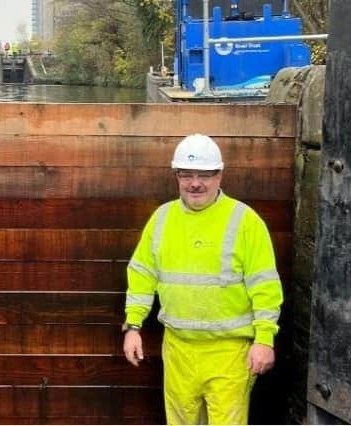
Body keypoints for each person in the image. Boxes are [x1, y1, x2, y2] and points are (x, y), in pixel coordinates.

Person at [123, 134, 283, 425]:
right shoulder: (162, 219)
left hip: (230, 353)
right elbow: (142, 275)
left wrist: (264, 339)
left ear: (219, 175)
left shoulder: (245, 221)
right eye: (186, 174)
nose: (195, 183)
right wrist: (133, 326)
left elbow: (265, 288)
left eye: (205, 175)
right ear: (176, 176)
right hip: (178, 350)